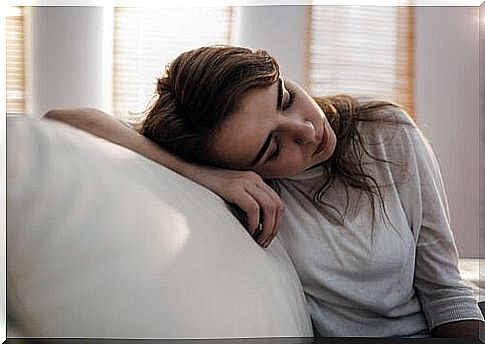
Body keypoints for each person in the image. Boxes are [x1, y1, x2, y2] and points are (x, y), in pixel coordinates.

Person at [44, 45, 484, 338]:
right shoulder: (245, 193)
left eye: (286, 98)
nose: (308, 130)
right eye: (273, 147)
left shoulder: (385, 131)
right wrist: (206, 176)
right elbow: (64, 119)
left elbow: (444, 287)